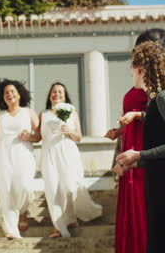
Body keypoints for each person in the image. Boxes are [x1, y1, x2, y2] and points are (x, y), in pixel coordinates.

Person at [116, 41, 165, 253]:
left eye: (132, 67)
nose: (131, 72)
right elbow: (159, 134)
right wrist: (136, 161)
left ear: (141, 67)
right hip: (160, 188)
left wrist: (140, 153)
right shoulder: (154, 101)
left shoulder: (164, 97)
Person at [105, 28, 165, 253]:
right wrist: (119, 131)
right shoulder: (141, 78)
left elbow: (160, 118)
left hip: (146, 147)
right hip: (131, 143)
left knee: (143, 203)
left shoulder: (160, 84)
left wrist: (136, 116)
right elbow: (138, 118)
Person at [24, 82, 102, 238]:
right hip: (49, 154)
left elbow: (78, 137)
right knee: (53, 189)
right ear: (50, 95)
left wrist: (70, 131)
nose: (57, 94)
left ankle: (71, 218)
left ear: (65, 96)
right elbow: (38, 137)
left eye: (60, 92)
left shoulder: (72, 112)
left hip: (67, 152)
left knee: (69, 187)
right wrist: (28, 137)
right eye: (54, 91)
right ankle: (58, 227)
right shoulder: (43, 114)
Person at [0, 78, 39, 239]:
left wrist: (30, 137)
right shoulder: (0, 116)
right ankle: (11, 229)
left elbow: (39, 136)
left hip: (24, 154)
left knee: (24, 186)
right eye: (6, 93)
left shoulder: (28, 112)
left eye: (12, 91)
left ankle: (23, 210)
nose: (9, 94)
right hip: (3, 156)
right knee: (7, 191)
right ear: (2, 97)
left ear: (19, 95)